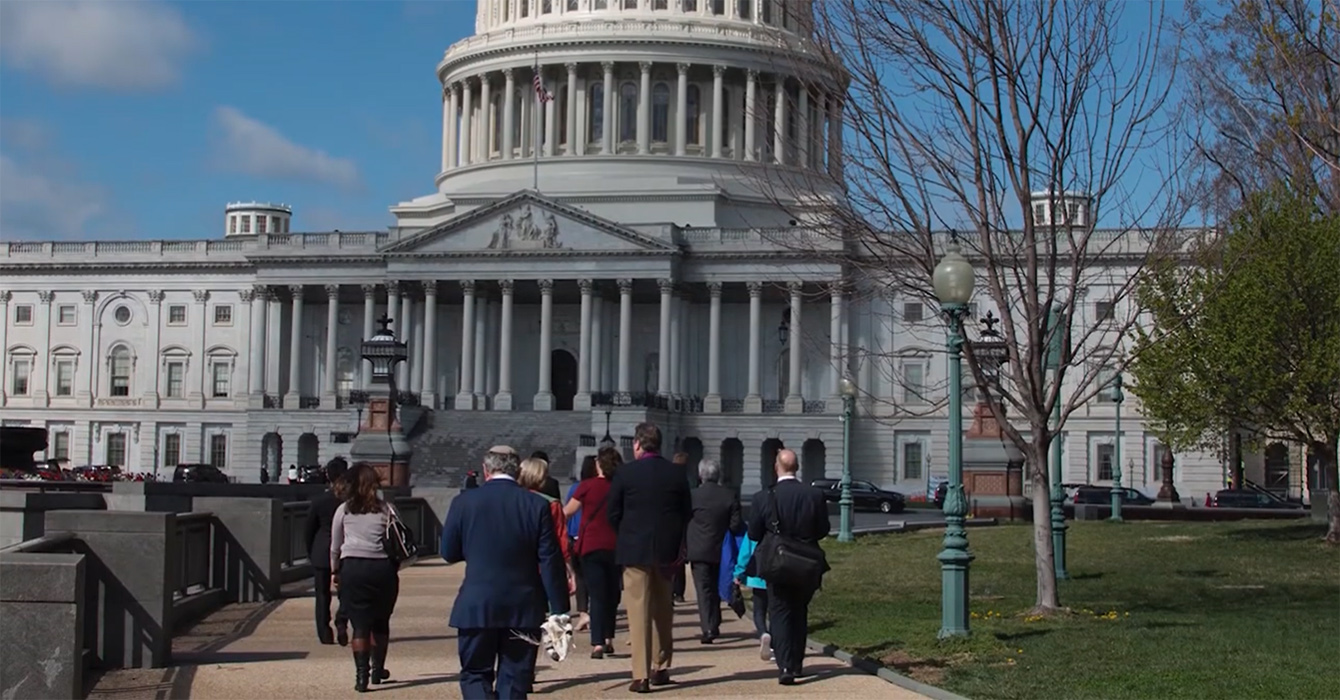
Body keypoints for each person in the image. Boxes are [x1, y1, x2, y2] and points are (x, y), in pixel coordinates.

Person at [441, 446, 571, 700]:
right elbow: (549, 560)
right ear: (517, 470)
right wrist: (559, 609)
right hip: (522, 605)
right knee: (514, 678)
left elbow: (449, 552)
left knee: (475, 673)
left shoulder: (464, 501)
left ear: (486, 469)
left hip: (477, 602)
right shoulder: (536, 504)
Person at [607, 423, 693, 693]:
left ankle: (640, 674)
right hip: (666, 549)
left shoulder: (625, 473)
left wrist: (626, 533)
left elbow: (613, 512)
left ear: (637, 444)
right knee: (663, 610)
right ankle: (661, 665)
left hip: (635, 548)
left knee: (638, 611)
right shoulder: (676, 474)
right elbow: (686, 511)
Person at [747, 449, 830, 685]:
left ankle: (785, 666)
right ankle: (796, 663)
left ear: (777, 467)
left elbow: (753, 532)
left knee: (779, 612)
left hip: (777, 562)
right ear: (797, 467)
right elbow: (823, 529)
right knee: (799, 613)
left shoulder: (763, 497)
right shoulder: (814, 495)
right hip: (806, 563)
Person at [330, 463, 403, 692]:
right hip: (382, 568)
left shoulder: (344, 510)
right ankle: (378, 670)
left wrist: (335, 570)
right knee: (381, 622)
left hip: (353, 567)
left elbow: (335, 545)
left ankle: (361, 677)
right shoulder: (386, 509)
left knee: (360, 625)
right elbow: (399, 539)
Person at [564, 447, 622, 658]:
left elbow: (568, 512)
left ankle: (598, 642)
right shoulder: (619, 487)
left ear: (599, 464)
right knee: (612, 594)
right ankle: (608, 637)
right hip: (616, 545)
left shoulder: (586, 486)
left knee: (597, 594)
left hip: (591, 545)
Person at [686, 458, 743, 644]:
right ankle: (714, 622)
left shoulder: (693, 496)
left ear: (701, 475)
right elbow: (735, 525)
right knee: (719, 586)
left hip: (699, 549)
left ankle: (708, 627)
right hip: (722, 548)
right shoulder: (729, 495)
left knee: (704, 590)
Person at [304, 457, 350, 645]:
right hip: (345, 551)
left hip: (321, 551)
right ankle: (342, 621)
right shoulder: (350, 500)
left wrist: (311, 552)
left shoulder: (319, 500)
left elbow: (308, 530)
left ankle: (324, 632)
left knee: (322, 595)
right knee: (346, 593)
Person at [519, 456, 574, 586]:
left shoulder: (511, 501)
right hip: (543, 566)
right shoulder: (551, 504)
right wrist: (570, 570)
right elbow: (561, 538)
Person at [565, 456, 599, 629]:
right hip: (593, 535)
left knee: (580, 577)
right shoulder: (599, 487)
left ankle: (583, 612)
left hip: (576, 535)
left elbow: (568, 512)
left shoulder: (575, 488)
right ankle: (594, 611)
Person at [734, 535, 773, 662]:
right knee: (776, 611)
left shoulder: (755, 526)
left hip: (758, 574)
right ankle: (775, 642)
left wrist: (738, 571)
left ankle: (763, 633)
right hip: (777, 572)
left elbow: (745, 553)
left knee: (759, 610)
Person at [670, 452, 692, 604]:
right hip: (681, 524)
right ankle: (678, 592)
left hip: (669, 523)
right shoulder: (685, 480)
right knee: (680, 560)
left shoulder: (669, 478)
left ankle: (670, 591)